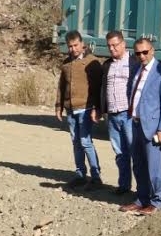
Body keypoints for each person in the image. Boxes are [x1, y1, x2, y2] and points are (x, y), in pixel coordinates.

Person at [122, 37, 161, 215]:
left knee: (155, 166)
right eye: (138, 53)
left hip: (152, 127)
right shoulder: (136, 69)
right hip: (135, 124)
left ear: (152, 51)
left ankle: (157, 201)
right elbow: (131, 92)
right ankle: (141, 199)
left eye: (145, 52)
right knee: (138, 164)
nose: (142, 56)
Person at [56, 30, 104, 190]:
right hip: (70, 109)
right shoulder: (66, 63)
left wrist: (97, 108)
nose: (73, 49)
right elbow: (61, 86)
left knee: (85, 141)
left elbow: (98, 88)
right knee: (76, 142)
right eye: (70, 46)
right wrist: (58, 106)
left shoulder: (92, 62)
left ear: (82, 44)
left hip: (86, 108)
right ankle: (80, 175)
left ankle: (96, 177)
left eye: (76, 45)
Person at [92, 30, 134, 196]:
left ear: (123, 44)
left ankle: (142, 191)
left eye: (115, 45)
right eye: (109, 46)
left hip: (129, 115)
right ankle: (124, 186)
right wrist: (98, 108)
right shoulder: (107, 65)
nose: (112, 48)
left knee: (135, 152)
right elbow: (101, 88)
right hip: (112, 115)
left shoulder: (134, 62)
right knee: (120, 153)